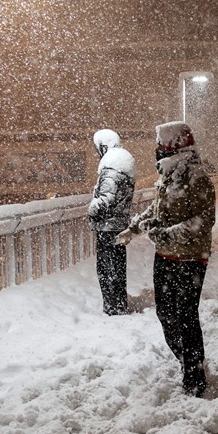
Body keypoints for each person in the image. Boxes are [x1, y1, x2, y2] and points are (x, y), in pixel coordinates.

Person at [120, 121, 215, 397]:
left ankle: (195, 377)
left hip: (191, 259)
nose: (157, 155)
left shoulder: (198, 178)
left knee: (186, 316)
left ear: (174, 149)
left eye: (160, 149)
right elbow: (157, 209)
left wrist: (166, 236)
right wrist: (135, 227)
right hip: (165, 258)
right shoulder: (168, 178)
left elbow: (203, 221)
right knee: (166, 314)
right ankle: (187, 361)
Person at [87, 128, 135, 315]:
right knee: (117, 267)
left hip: (108, 227)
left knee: (107, 270)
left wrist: (91, 210)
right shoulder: (124, 166)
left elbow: (106, 198)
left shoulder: (112, 168)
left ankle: (113, 307)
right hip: (120, 224)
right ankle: (119, 304)